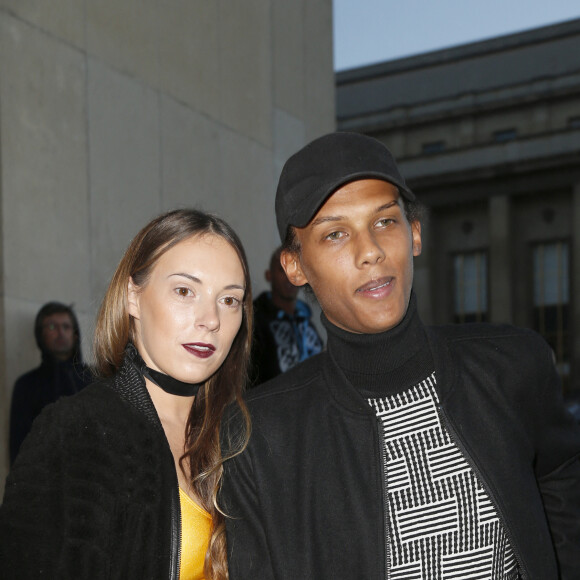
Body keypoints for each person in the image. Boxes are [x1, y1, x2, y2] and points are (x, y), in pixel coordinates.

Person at [220, 132, 580, 579]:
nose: (369, 251)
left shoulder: (514, 366)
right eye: (335, 234)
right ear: (294, 267)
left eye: (385, 222)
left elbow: (562, 479)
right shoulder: (258, 436)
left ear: (414, 233)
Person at [0, 209, 253, 580]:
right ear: (133, 297)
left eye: (229, 300)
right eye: (185, 291)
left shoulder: (242, 435)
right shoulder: (78, 432)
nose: (211, 319)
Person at [9, 301, 93, 464]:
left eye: (66, 327)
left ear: (75, 334)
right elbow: (19, 447)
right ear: (41, 335)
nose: (60, 333)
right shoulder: (27, 385)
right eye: (52, 327)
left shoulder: (95, 379)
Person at [250, 246, 323, 385]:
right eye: (281, 270)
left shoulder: (306, 318)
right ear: (268, 275)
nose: (290, 276)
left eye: (295, 270)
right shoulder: (256, 322)